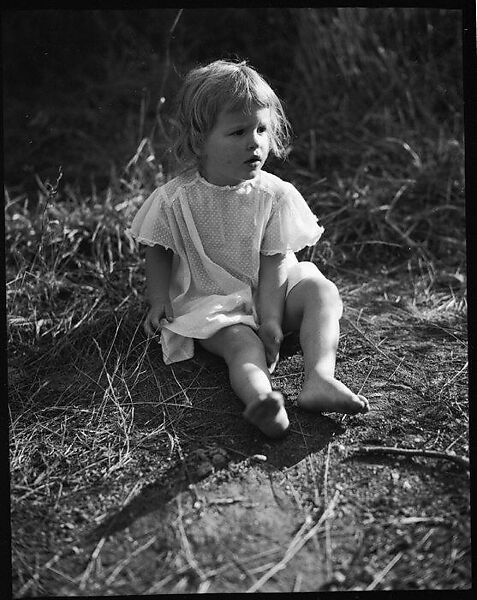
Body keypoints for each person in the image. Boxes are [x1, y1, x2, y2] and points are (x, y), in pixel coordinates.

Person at [128, 59, 369, 438]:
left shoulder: (274, 195)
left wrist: (272, 320)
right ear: (198, 140)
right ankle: (262, 400)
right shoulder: (176, 198)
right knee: (242, 345)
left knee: (321, 290)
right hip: (212, 300)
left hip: (270, 291)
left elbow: (274, 260)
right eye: (238, 131)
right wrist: (158, 298)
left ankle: (320, 378)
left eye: (260, 129)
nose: (254, 141)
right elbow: (159, 246)